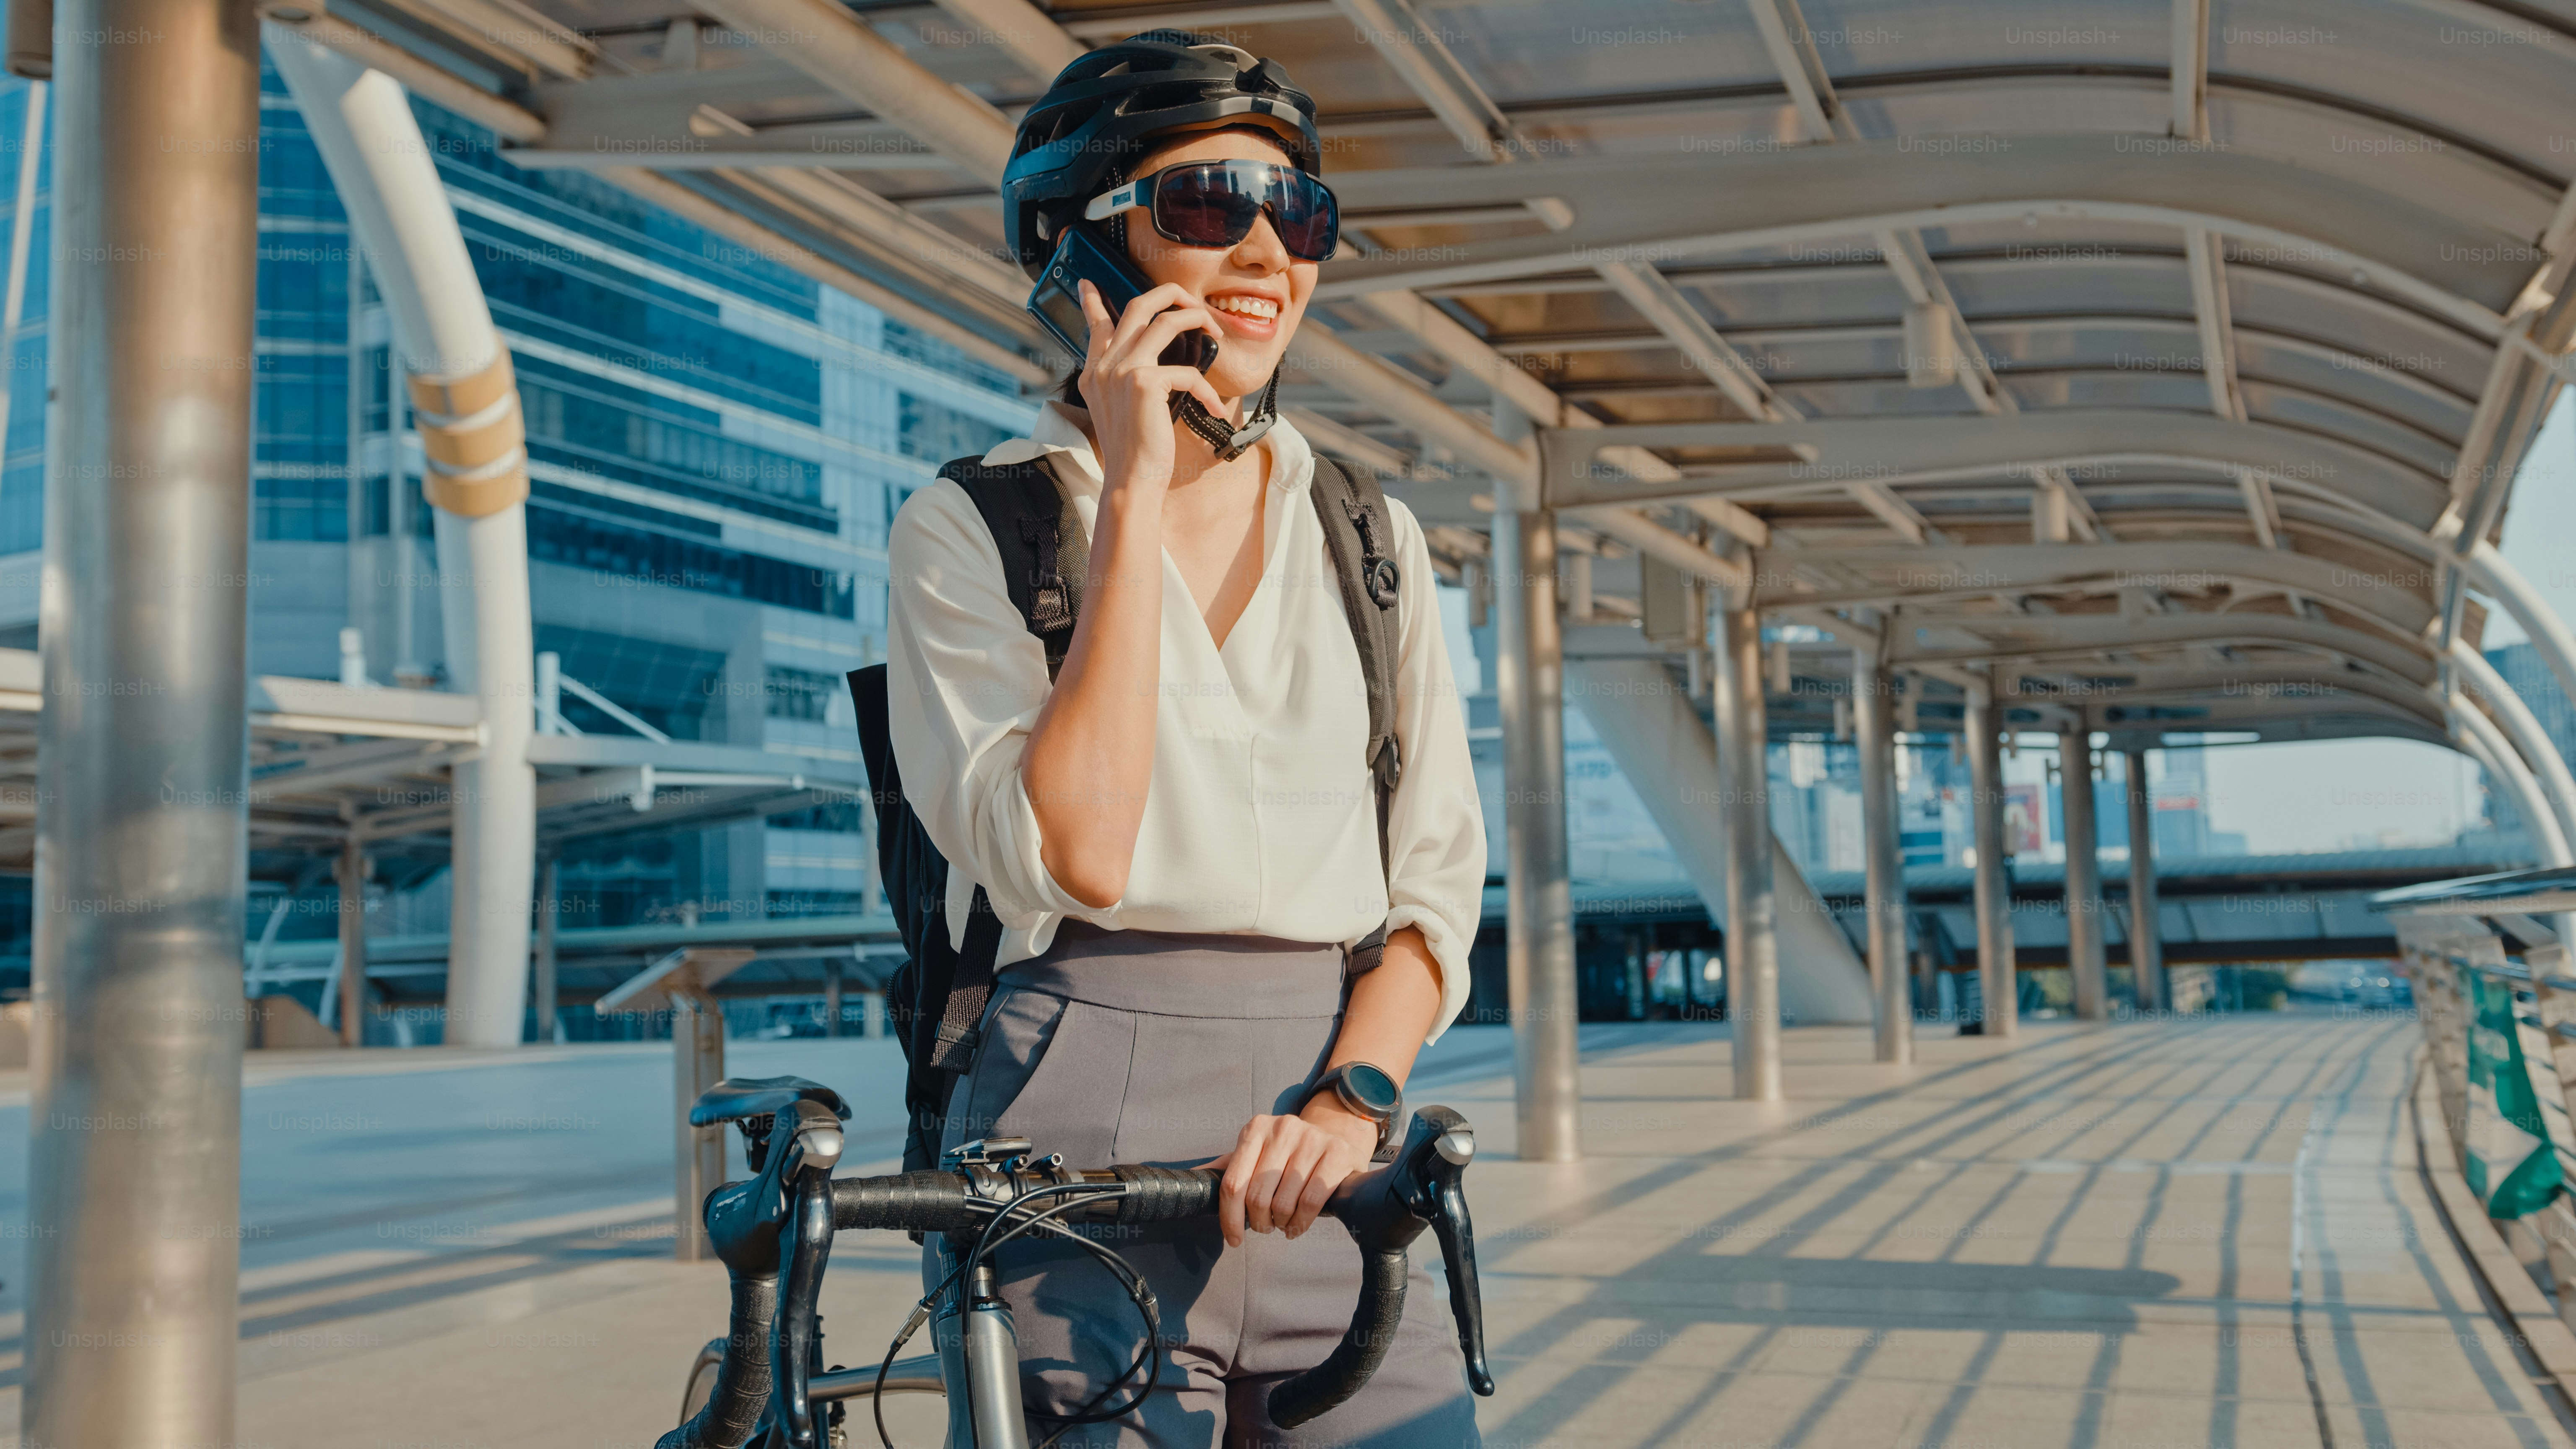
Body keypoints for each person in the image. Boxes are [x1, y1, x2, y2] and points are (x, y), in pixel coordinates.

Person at [883, 29, 1487, 1449]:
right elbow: (1077, 853)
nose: (1270, 251)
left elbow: (1432, 892)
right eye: (1211, 206)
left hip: (1332, 1140)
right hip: (1069, 1126)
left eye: (1302, 215)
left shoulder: (1369, 533)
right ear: (1082, 248)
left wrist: (1355, 1100)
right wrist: (1134, 496)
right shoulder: (973, 527)